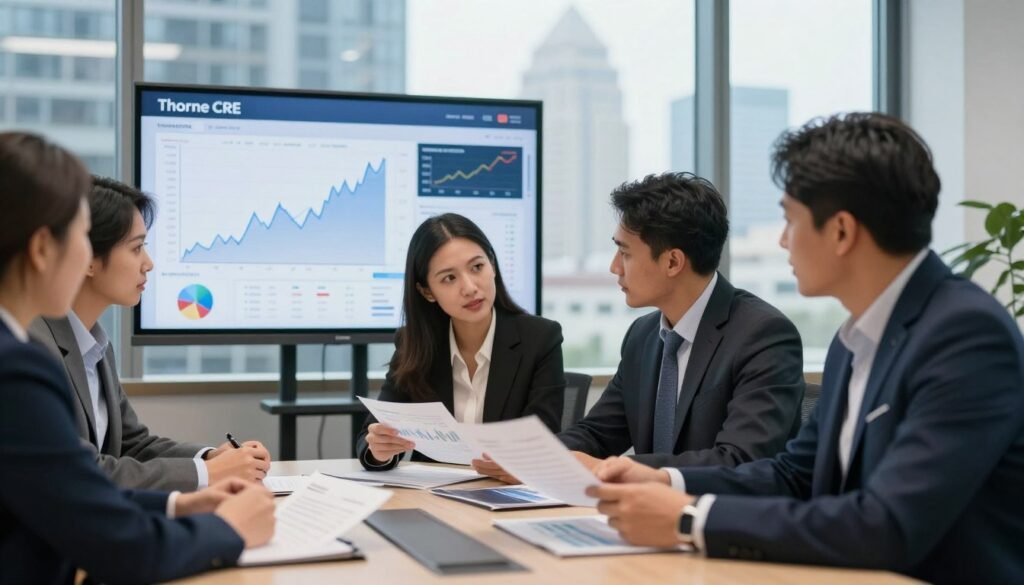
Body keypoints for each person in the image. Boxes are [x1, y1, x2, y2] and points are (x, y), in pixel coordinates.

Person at [588, 113, 1024, 584]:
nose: (782, 239)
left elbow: (888, 525)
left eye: (790, 219)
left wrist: (690, 517)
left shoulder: (964, 335)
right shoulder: (853, 340)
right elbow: (793, 475)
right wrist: (665, 481)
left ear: (841, 231)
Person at [0, 131, 275, 584]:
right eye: (80, 237)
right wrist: (227, 528)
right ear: (43, 248)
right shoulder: (16, 366)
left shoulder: (61, 344)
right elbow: (117, 542)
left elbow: (66, 488)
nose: (148, 263)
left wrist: (178, 502)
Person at [474, 172, 804, 483]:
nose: (614, 267)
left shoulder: (763, 335)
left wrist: (612, 468)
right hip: (643, 520)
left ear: (673, 262)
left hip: (716, 525)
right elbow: (598, 433)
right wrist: (530, 458)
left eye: (625, 253)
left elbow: (740, 461)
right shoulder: (643, 336)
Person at [29, 176, 271, 492]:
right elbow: (76, 469)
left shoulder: (94, 343)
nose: (149, 264)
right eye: (137, 248)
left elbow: (133, 444)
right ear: (86, 258)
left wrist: (211, 458)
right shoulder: (35, 345)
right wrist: (208, 473)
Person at [356, 213, 565, 470]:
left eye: (477, 267)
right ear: (427, 292)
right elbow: (373, 434)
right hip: (435, 496)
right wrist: (380, 450)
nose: (469, 287)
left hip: (508, 494)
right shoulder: (415, 343)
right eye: (449, 278)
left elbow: (544, 439)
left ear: (493, 265)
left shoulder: (540, 338)